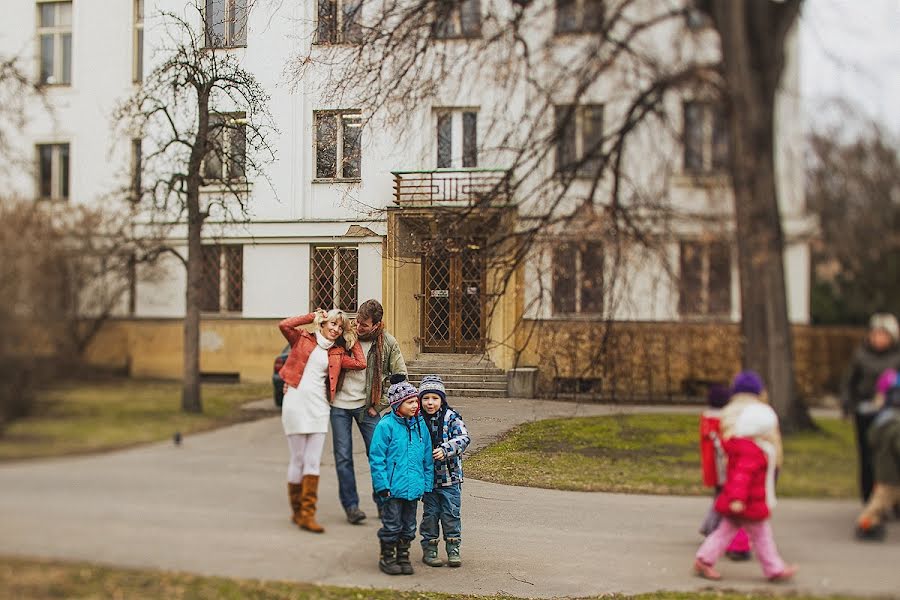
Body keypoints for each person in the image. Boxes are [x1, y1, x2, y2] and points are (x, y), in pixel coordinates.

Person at [278, 309, 366, 533]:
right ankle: (297, 512)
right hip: (296, 403)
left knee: (313, 461)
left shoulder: (336, 353)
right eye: (333, 324)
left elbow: (360, 362)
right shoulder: (302, 338)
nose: (335, 329)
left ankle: (308, 515)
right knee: (298, 459)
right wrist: (310, 316)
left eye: (340, 327)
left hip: (319, 408)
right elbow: (284, 325)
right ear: (323, 323)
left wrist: (352, 335)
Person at [694, 403, 798, 582]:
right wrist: (737, 499)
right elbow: (741, 477)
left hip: (744, 503)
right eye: (770, 430)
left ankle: (704, 559)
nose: (773, 434)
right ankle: (774, 569)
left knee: (723, 533)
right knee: (763, 537)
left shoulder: (745, 446)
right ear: (760, 430)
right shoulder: (752, 451)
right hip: (747, 504)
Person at [330, 299, 407, 524]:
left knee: (379, 456)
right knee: (343, 457)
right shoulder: (344, 337)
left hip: (368, 408)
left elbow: (401, 376)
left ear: (376, 325)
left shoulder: (388, 343)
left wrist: (379, 405)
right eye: (357, 321)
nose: (358, 327)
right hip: (339, 406)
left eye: (364, 325)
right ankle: (351, 507)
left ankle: (383, 504)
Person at [369, 375, 433, 576]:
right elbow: (377, 457)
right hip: (392, 489)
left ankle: (403, 556)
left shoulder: (420, 425)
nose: (416, 405)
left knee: (409, 526)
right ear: (397, 404)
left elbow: (427, 457)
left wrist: (426, 484)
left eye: (416, 401)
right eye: (410, 402)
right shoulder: (386, 426)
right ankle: (387, 557)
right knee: (392, 524)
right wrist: (381, 486)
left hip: (414, 488)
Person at [842, 313, 900, 503]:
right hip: (866, 411)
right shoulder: (861, 355)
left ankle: (893, 498)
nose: (878, 338)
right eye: (875, 334)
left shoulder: (897, 357)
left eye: (883, 334)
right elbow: (850, 381)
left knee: (890, 456)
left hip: (892, 412)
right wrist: (848, 404)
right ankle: (869, 497)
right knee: (867, 456)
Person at [418, 375, 470, 568]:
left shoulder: (451, 417)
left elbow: (464, 438)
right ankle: (430, 548)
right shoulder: (417, 419)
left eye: (434, 398)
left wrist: (446, 449)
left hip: (450, 479)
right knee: (430, 515)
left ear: (442, 399)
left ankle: (453, 548)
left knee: (451, 514)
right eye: (425, 398)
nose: (430, 403)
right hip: (429, 480)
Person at [699, 383, 751, 559]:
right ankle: (712, 527)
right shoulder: (720, 421)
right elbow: (723, 446)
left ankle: (709, 525)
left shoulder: (707, 419)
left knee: (718, 496)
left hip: (711, 467)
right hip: (720, 467)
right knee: (722, 498)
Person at [856, 370, 900, 541]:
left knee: (882, 500)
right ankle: (865, 522)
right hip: (892, 473)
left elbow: (871, 440)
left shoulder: (882, 420)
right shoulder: (896, 424)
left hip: (884, 470)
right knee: (879, 503)